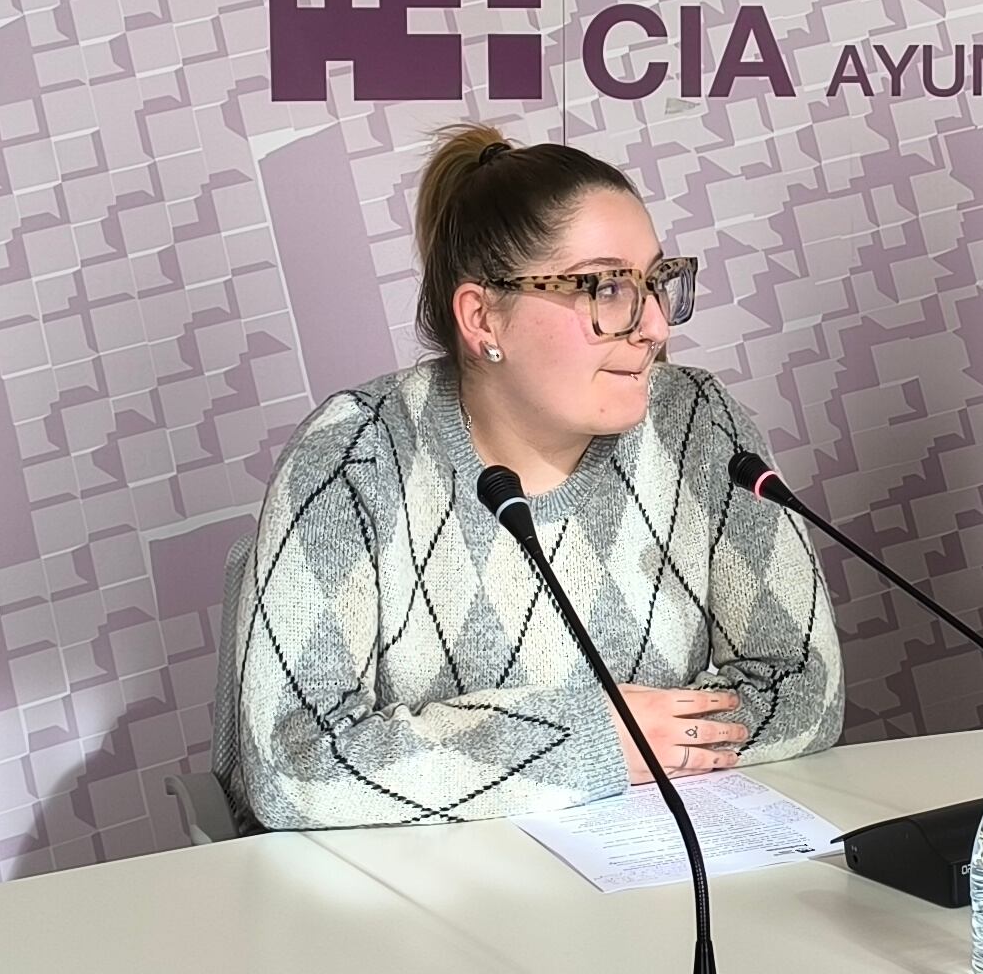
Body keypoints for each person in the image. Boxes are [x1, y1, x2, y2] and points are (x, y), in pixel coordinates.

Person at [228, 124, 843, 829]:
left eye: (656, 282)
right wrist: (589, 740)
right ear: (483, 317)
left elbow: (802, 688)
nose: (653, 327)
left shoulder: (699, 424)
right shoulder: (352, 458)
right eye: (606, 287)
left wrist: (632, 745)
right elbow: (295, 763)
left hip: (663, 885)